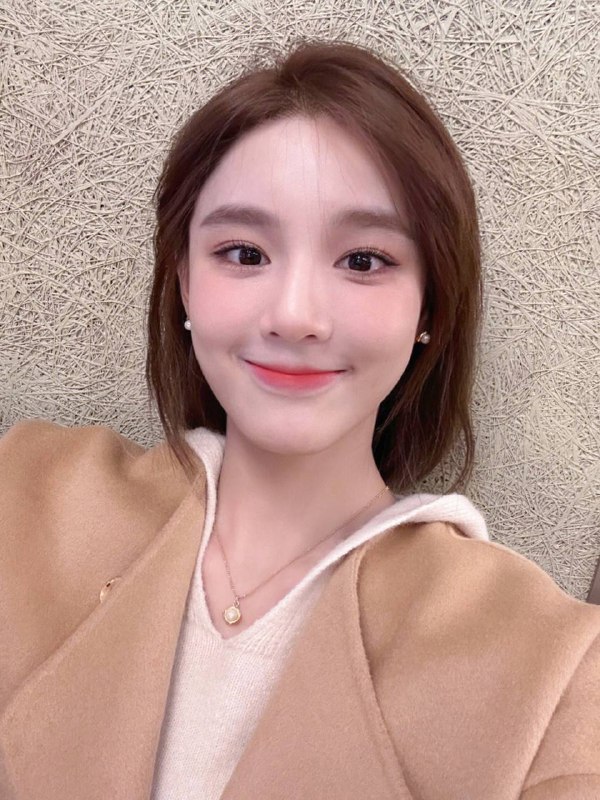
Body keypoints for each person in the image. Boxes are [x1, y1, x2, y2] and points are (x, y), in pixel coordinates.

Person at [0, 39, 598, 800]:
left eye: (364, 260)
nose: (295, 315)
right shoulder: (25, 498)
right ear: (183, 282)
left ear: (430, 306)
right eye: (244, 253)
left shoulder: (552, 674)